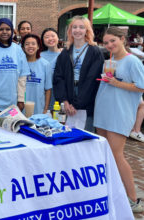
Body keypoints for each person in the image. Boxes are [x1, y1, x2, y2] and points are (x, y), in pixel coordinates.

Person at [94, 26, 144, 213]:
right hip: (103, 111)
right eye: (106, 43)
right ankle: (113, 192)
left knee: (117, 155)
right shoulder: (111, 60)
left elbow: (141, 86)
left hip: (119, 113)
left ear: (122, 39)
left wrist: (117, 83)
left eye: (112, 41)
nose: (109, 45)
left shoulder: (132, 61)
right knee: (106, 156)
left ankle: (133, 199)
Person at [53, 16, 104, 132]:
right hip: (68, 94)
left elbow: (92, 81)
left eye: (82, 27)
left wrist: (76, 104)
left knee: (84, 136)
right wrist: (64, 101)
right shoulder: (65, 52)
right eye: (74, 27)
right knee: (66, 134)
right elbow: (58, 77)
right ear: (70, 30)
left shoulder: (94, 52)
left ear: (87, 30)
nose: (77, 30)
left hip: (86, 99)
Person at [22, 34, 52, 114]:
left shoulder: (45, 64)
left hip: (39, 109)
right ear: (23, 47)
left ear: (38, 46)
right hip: (21, 109)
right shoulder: (20, 63)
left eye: (33, 44)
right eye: (27, 44)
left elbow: (48, 89)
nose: (30, 46)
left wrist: (45, 109)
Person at [40, 28, 62, 110]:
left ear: (58, 38)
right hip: (43, 95)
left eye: (53, 36)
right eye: (47, 37)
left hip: (58, 95)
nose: (50, 39)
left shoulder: (65, 55)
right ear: (43, 40)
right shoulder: (39, 55)